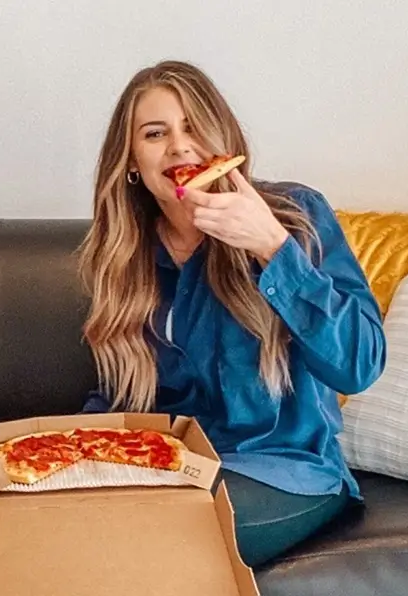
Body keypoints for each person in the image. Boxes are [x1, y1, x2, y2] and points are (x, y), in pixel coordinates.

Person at [77, 60, 386, 568]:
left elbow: (359, 365)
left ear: (222, 138)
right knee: (68, 524)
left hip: (285, 470)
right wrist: (69, 455)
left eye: (193, 126)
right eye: (155, 133)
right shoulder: (125, 258)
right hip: (176, 471)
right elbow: (120, 398)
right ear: (131, 160)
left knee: (159, 537)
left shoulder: (294, 216)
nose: (179, 147)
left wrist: (273, 248)